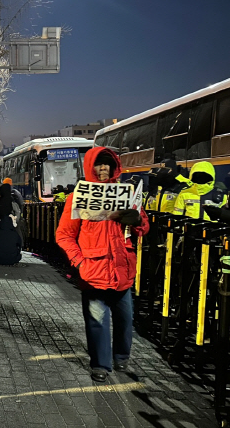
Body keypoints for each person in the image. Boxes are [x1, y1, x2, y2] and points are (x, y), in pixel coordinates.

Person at [56, 147, 149, 382]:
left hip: (122, 270)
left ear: (115, 167)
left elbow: (144, 227)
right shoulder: (77, 197)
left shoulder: (126, 193)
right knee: (97, 322)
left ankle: (121, 357)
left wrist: (137, 221)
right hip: (93, 272)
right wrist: (79, 262)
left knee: (125, 320)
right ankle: (100, 364)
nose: (104, 168)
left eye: (107, 163)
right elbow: (64, 235)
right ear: (90, 167)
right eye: (99, 164)